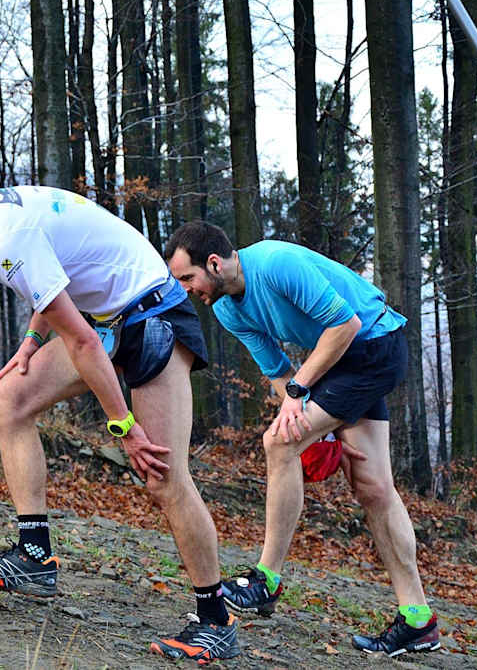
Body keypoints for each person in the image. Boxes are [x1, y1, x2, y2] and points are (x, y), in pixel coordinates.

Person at [0, 176, 239, 663]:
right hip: (110, 319)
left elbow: (83, 342)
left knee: (162, 476)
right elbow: (57, 276)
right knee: (8, 400)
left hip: (153, 318)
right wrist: (29, 341)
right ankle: (34, 557)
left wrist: (124, 427)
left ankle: (215, 621)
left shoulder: (3, 239)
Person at [164, 220, 440, 657]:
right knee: (374, 488)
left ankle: (266, 580)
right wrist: (307, 417)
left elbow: (344, 325)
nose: (185, 290)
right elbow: (278, 372)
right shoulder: (227, 309)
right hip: (340, 364)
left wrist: (300, 400)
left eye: (187, 277)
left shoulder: (277, 263)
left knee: (278, 443)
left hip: (373, 345)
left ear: (213, 263)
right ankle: (418, 620)